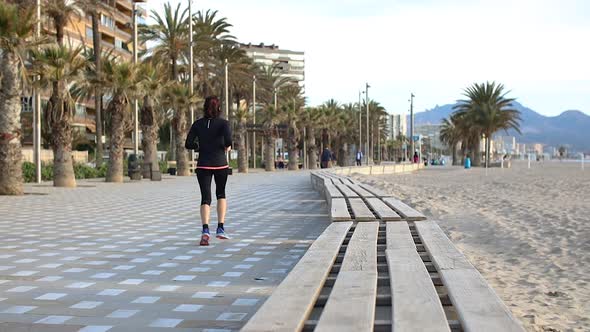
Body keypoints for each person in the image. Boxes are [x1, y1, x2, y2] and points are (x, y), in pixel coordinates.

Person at [185, 96, 232, 246]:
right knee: (221, 194)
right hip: (220, 164)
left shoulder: (197, 124)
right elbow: (229, 142)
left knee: (205, 198)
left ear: (204, 108)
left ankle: (205, 230)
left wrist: (200, 147)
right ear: (219, 108)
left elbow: (188, 144)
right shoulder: (224, 124)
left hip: (203, 165)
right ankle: (220, 228)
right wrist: (225, 146)